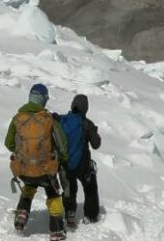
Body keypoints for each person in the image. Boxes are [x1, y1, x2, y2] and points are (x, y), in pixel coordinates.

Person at [5, 84, 69, 240]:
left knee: (29, 185)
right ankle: (56, 230)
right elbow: (62, 144)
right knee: (53, 193)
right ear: (44, 100)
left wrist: (24, 154)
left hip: (23, 170)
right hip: (45, 171)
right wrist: (62, 158)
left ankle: (22, 213)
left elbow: (9, 143)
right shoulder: (49, 120)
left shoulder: (17, 118)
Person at [57, 94, 102, 228]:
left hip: (65, 164)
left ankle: (70, 213)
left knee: (69, 188)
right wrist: (93, 131)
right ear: (85, 108)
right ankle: (91, 215)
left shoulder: (63, 120)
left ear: (72, 105)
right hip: (83, 165)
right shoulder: (87, 123)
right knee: (90, 187)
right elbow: (96, 144)